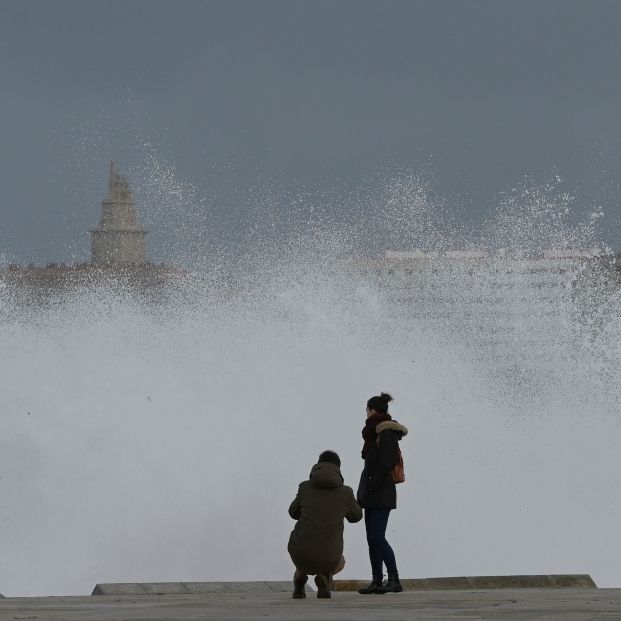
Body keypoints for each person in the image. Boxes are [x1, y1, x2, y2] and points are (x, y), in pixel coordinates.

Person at [288, 450, 363, 599]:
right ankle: (325, 577)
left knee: (303, 549)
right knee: (339, 560)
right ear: (338, 469)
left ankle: (299, 580)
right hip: (330, 556)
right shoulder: (346, 492)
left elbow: (292, 513)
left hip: (300, 553)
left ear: (317, 465)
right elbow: (356, 517)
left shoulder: (304, 487)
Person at [356, 392, 408, 594]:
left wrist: (372, 484)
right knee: (371, 538)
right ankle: (377, 580)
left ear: (372, 410)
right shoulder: (374, 434)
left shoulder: (385, 433)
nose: (365, 414)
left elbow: (387, 463)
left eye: (367, 410)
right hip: (372, 494)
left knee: (377, 537)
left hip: (381, 493)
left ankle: (394, 578)